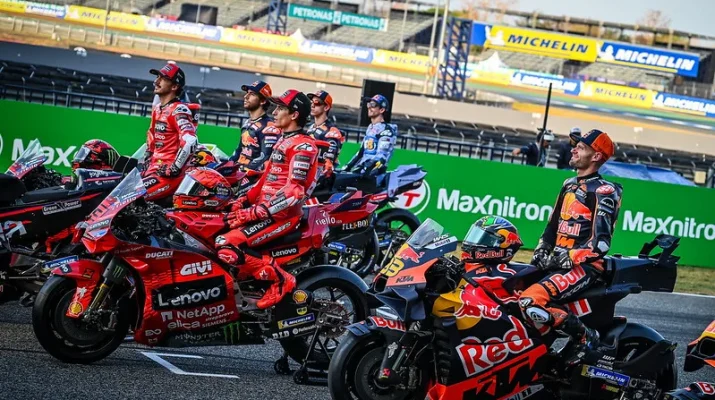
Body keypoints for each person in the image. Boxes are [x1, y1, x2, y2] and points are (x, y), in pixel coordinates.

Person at [518, 129, 622, 366]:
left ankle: (586, 337)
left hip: (585, 267)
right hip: (559, 264)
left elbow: (600, 245)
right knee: (507, 293)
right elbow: (552, 226)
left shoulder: (604, 191)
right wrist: (541, 250)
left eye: (581, 148)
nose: (573, 150)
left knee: (530, 301)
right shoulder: (568, 184)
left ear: (596, 156)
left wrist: (562, 258)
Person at [215, 89, 318, 309]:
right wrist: (242, 201)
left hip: (282, 217)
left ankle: (281, 280)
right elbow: (264, 181)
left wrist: (255, 212)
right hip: (265, 211)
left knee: (226, 244)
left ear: (294, 115)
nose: (274, 112)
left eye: (280, 108)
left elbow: (294, 192)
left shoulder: (304, 146)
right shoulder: (284, 140)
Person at [142, 63, 197, 203]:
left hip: (167, 176)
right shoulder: (157, 109)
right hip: (153, 170)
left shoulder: (179, 110)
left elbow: (190, 141)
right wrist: (147, 158)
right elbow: (151, 138)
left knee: (130, 198)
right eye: (157, 77)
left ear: (174, 86)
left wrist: (174, 168)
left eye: (163, 79)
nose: (156, 81)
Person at [229, 80, 281, 172]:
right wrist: (227, 166)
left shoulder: (269, 127)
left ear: (263, 101)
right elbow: (238, 151)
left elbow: (265, 158)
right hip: (238, 172)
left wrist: (243, 170)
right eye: (247, 93)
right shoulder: (247, 122)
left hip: (252, 176)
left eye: (252, 94)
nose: (246, 96)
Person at [344, 94, 396, 177]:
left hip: (373, 176)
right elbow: (361, 152)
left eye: (373, 105)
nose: (369, 107)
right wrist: (348, 166)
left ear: (382, 110)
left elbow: (382, 157)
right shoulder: (370, 127)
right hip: (362, 171)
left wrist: (367, 168)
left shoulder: (386, 131)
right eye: (369, 104)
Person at [307, 90, 344, 178]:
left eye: (317, 103)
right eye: (312, 102)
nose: (312, 105)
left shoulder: (332, 130)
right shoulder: (310, 127)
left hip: (321, 176)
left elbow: (330, 159)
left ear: (326, 107)